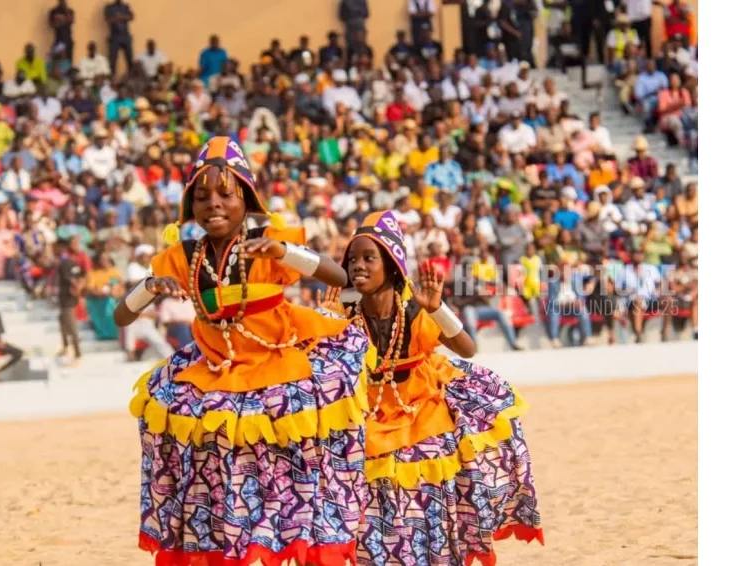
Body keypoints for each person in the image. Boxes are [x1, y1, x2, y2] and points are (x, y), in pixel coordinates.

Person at [117, 138, 368, 565]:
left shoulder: (268, 243)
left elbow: (339, 275)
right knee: (211, 468)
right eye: (201, 196)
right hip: (216, 372)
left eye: (224, 194)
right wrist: (149, 289)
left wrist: (285, 251)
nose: (213, 204)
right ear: (189, 206)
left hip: (280, 366)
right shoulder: (182, 257)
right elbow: (123, 316)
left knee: (295, 474)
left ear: (246, 200)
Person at [322, 210, 542, 565]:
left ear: (391, 264)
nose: (357, 266)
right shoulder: (345, 310)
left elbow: (467, 348)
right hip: (370, 414)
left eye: (368, 258)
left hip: (421, 408)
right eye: (352, 259)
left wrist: (437, 308)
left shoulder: (413, 307)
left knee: (428, 502)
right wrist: (326, 321)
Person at [55, 238, 84, 365]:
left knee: (71, 325)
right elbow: (81, 276)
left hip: (67, 298)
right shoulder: (73, 262)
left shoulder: (66, 262)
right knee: (62, 321)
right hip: (67, 297)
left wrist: (77, 288)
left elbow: (72, 278)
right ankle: (66, 346)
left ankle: (77, 352)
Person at [104, 0, 135, 76]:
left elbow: (131, 17)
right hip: (115, 36)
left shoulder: (126, 6)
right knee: (112, 61)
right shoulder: (109, 7)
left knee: (130, 59)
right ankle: (112, 80)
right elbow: (108, 20)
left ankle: (131, 79)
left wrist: (118, 16)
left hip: (126, 36)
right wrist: (123, 17)